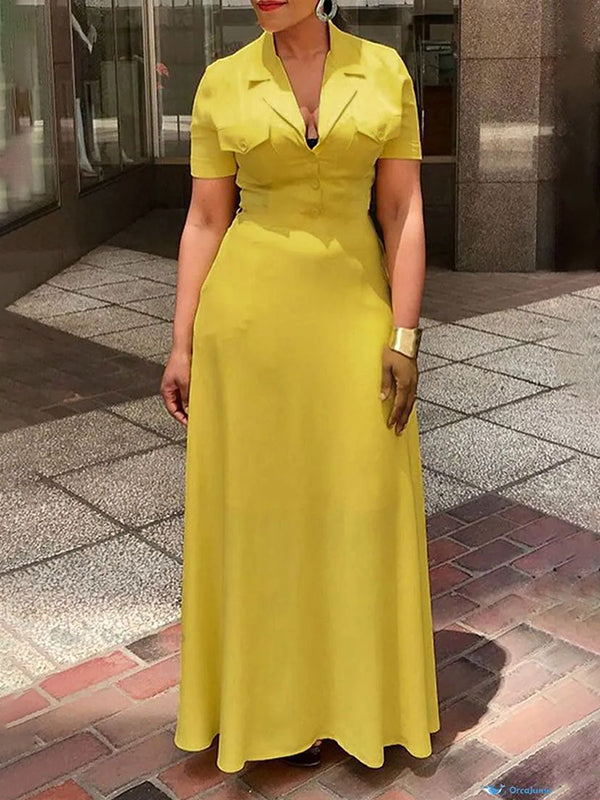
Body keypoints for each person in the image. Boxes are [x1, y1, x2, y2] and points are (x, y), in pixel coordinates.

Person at [161, 0, 441, 773]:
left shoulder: (384, 72)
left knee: (362, 500)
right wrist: (181, 343)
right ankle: (272, 707)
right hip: (248, 327)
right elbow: (205, 220)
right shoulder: (221, 82)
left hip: (354, 316)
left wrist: (405, 335)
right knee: (262, 515)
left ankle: (358, 700)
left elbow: (402, 209)